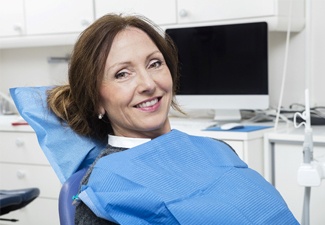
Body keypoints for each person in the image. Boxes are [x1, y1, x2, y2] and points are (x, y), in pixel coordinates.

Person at [47, 14, 298, 224]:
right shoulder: (104, 189)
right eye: (122, 74)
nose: (148, 84)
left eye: (155, 63)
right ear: (96, 99)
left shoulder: (217, 150)